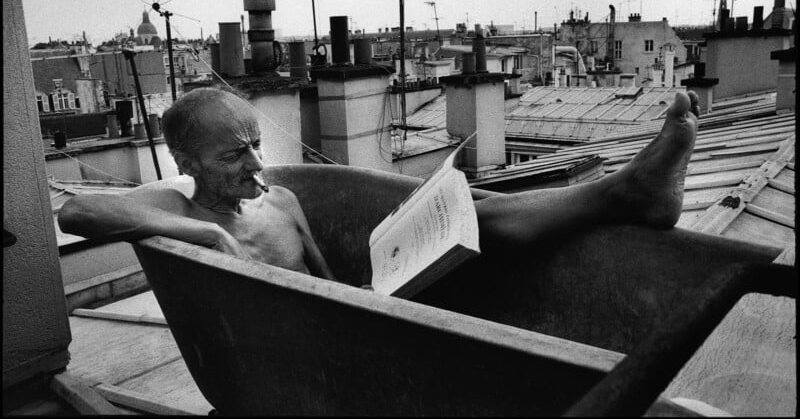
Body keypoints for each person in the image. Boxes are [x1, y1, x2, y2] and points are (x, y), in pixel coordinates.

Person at [58, 87, 700, 282]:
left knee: (467, 211)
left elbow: (326, 280)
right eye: (233, 155)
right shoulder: (177, 204)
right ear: (185, 162)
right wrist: (199, 228)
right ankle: (625, 194)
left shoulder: (281, 199)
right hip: (285, 344)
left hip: (343, 317)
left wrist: (377, 293)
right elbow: (80, 212)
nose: (256, 165)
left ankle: (624, 194)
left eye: (258, 144)